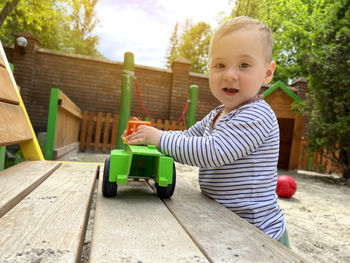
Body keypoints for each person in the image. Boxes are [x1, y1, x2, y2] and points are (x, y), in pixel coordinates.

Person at [126, 16, 290, 248]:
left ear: (267, 73)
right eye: (220, 65)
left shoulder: (257, 115)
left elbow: (211, 152)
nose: (230, 74)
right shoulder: (217, 114)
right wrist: (154, 138)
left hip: (258, 234)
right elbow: (188, 137)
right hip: (225, 222)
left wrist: (159, 138)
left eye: (244, 65)